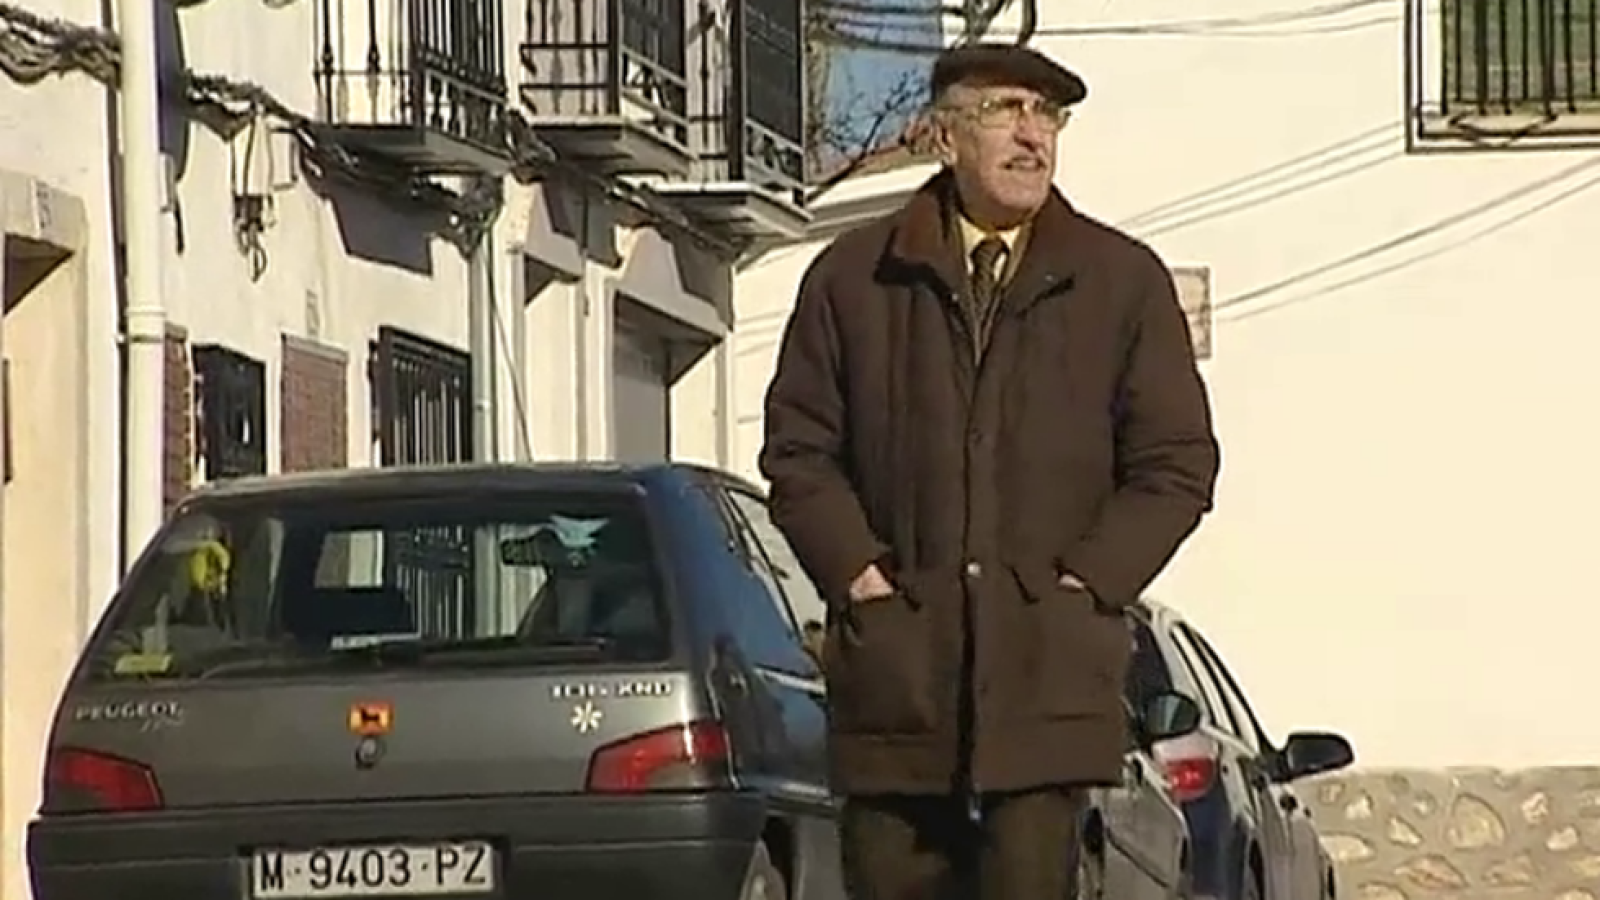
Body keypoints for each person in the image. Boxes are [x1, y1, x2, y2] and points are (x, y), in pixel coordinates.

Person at [758, 42, 1221, 900]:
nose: (1031, 135)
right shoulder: (855, 279)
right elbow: (797, 450)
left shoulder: (1120, 283)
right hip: (898, 694)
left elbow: (1177, 462)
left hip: (1046, 689)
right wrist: (860, 576)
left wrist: (1086, 582)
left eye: (1046, 116)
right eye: (1006, 110)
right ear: (944, 135)